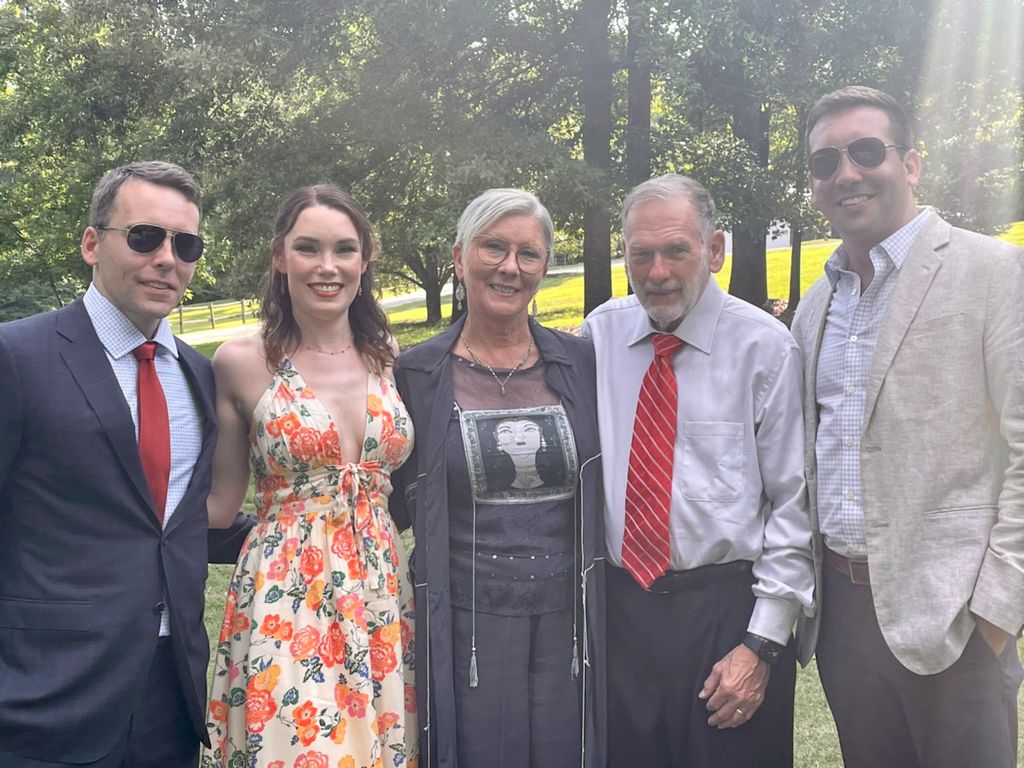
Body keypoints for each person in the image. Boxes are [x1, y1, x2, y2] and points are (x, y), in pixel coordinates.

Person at [791, 85, 1024, 768]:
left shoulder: (994, 272)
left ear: (911, 163)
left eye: (867, 151)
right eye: (826, 163)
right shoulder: (814, 308)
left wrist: (995, 612)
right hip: (842, 622)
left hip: (956, 621)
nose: (846, 174)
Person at [0, 161, 252, 768]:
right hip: (41, 699)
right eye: (145, 237)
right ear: (92, 243)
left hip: (171, 692)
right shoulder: (16, 356)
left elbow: (180, 521)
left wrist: (307, 535)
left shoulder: (197, 373)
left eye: (185, 244)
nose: (168, 258)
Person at [582, 174, 813, 768]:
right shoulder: (598, 339)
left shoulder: (765, 348)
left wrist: (761, 645)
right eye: (641, 254)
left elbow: (796, 504)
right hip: (620, 616)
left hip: (726, 616)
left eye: (676, 250)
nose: (657, 272)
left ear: (714, 251)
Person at [202, 185, 417, 767]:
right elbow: (219, 505)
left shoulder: (389, 355)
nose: (328, 266)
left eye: (345, 249)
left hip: (382, 586)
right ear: (280, 256)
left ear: (364, 260)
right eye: (308, 248)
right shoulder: (242, 361)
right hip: (285, 588)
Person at [392, 188, 606, 768]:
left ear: (543, 267)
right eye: (493, 247)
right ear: (460, 258)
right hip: (466, 618)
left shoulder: (580, 362)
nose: (510, 266)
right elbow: (390, 502)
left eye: (528, 254)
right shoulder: (417, 373)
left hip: (571, 616)